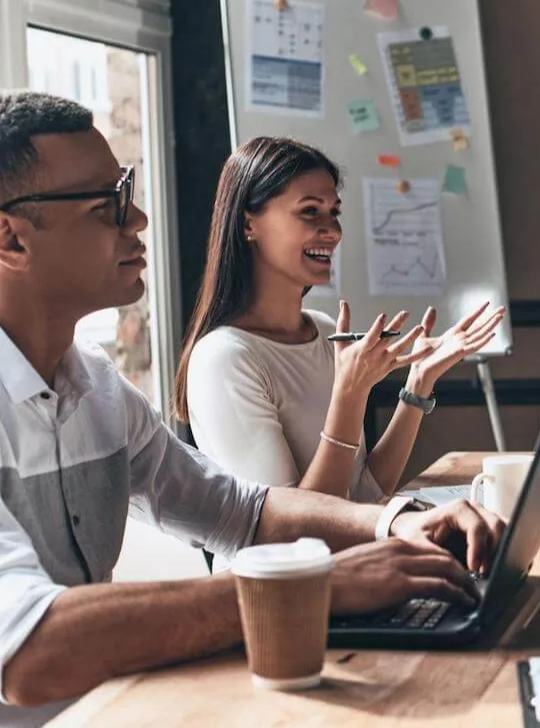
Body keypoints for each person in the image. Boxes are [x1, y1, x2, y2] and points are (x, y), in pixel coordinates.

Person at [0, 90, 504, 728]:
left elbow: (242, 509)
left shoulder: (93, 383)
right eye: (107, 204)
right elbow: (32, 654)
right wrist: (313, 586)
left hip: (103, 721)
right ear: (10, 238)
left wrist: (394, 520)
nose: (139, 218)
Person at [173, 136, 505, 504]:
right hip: (291, 562)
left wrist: (419, 382)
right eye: (310, 211)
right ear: (249, 224)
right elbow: (292, 529)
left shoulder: (327, 331)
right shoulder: (224, 359)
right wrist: (349, 394)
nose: (332, 231)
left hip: (354, 558)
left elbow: (364, 492)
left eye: (334, 212)